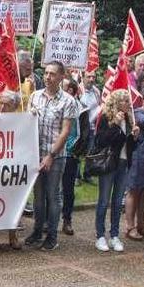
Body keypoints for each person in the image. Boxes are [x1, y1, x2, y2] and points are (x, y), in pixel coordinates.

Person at [25, 60, 77, 251]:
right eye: (46, 73)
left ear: (61, 76)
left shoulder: (68, 101)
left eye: (52, 74)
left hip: (56, 155)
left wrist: (50, 155)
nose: (47, 77)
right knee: (38, 196)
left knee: (52, 195)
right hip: (35, 153)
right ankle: (37, 231)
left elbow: (65, 132)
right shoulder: (35, 96)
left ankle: (52, 236)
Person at [93, 90, 137, 252]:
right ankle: (100, 236)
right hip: (109, 163)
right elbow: (100, 140)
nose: (128, 104)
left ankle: (114, 235)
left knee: (118, 202)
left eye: (128, 101)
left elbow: (129, 145)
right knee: (104, 200)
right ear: (116, 102)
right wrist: (115, 126)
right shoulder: (106, 117)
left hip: (123, 163)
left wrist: (134, 136)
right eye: (125, 101)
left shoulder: (129, 118)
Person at [0, 90, 24, 250]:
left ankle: (13, 235)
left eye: (6, 104)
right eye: (0, 102)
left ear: (15, 106)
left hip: (14, 167)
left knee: (14, 201)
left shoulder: (22, 122)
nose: (1, 107)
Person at [124, 78, 144, 241]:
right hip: (138, 156)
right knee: (134, 190)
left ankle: (141, 225)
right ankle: (130, 226)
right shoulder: (137, 112)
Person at [60, 79, 89, 236]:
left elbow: (85, 134)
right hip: (54, 152)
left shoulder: (82, 109)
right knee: (50, 189)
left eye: (63, 88)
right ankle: (47, 220)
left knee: (68, 189)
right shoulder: (55, 104)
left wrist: (76, 152)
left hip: (71, 154)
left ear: (71, 90)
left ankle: (67, 220)